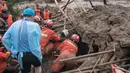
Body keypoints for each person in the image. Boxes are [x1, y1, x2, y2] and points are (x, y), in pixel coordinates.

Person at [2, 8, 42, 73]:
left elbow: (4, 39)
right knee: (38, 66)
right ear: (32, 16)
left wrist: (12, 48)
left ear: (23, 15)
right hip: (34, 54)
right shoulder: (35, 25)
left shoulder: (15, 24)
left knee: (25, 71)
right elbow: (39, 39)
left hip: (21, 55)